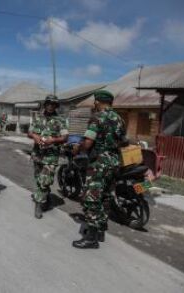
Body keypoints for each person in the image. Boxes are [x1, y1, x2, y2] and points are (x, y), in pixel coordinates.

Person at [72, 90, 126, 249]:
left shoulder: (97, 118)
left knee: (92, 197)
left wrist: (77, 148)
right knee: (106, 196)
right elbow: (124, 141)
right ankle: (101, 230)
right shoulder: (120, 119)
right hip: (114, 162)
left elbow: (88, 143)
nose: (94, 104)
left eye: (95, 101)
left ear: (97, 102)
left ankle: (91, 238)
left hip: (99, 162)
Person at [28, 95, 69, 219]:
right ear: (45, 104)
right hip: (37, 155)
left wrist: (53, 140)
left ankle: (38, 205)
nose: (51, 106)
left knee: (44, 181)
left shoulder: (61, 120)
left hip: (51, 156)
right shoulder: (38, 118)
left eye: (53, 104)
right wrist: (35, 137)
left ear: (56, 106)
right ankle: (46, 196)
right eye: (49, 103)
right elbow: (30, 132)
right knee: (38, 179)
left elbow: (65, 137)